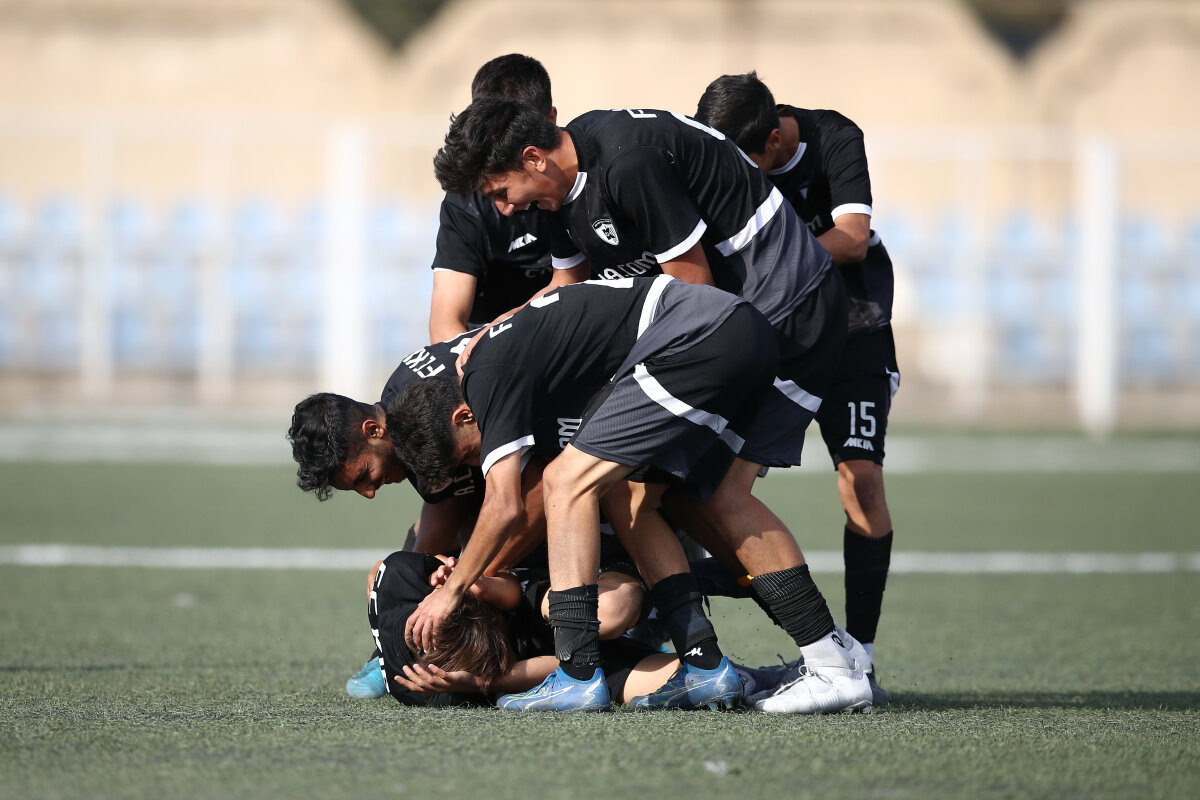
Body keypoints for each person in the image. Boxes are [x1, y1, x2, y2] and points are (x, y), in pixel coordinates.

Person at [428, 98, 871, 714]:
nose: (504, 209)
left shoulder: (628, 163)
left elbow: (694, 290)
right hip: (729, 324)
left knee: (713, 494)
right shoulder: (559, 192)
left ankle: (831, 664)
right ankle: (728, 663)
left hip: (789, 312)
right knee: (634, 493)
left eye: (503, 191)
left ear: (534, 158)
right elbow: (565, 287)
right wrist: (492, 335)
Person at [388, 275, 872, 714]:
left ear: (463, 416)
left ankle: (578, 675)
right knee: (668, 498)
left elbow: (506, 504)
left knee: (565, 482)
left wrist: (451, 591)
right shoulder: (496, 360)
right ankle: (809, 657)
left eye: (466, 456)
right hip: (736, 332)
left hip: (695, 336)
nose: (476, 465)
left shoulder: (487, 376)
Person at [696, 72, 898, 703]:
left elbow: (853, 239)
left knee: (861, 482)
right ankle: (727, 598)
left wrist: (775, 259)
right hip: (773, 337)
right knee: (716, 483)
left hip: (854, 334)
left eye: (745, 163)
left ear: (776, 142)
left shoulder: (833, 137)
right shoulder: (721, 152)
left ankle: (860, 652)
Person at [368, 549, 797, 710]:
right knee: (700, 688)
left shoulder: (401, 578)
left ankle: (676, 579)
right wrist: (483, 681)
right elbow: (560, 663)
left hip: (556, 592)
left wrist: (474, 581)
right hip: (535, 665)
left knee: (608, 613)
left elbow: (377, 572)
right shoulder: (429, 688)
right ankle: (778, 679)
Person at [428, 53, 557, 343]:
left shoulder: (587, 180)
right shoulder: (465, 204)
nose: (506, 207)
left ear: (551, 123)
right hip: (492, 351)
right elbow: (445, 329)